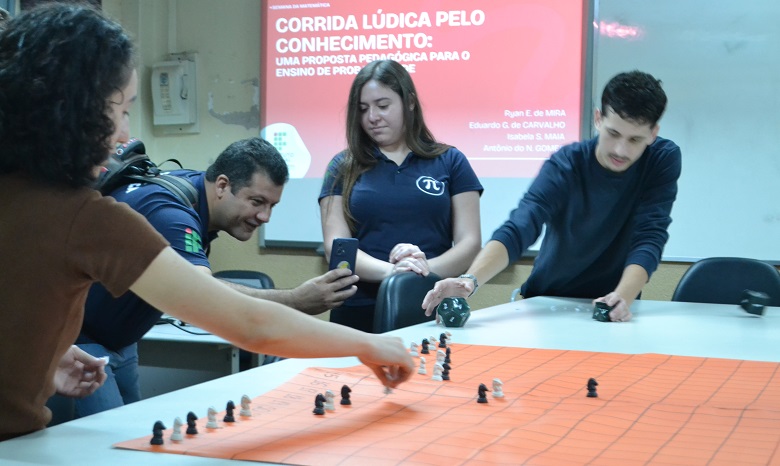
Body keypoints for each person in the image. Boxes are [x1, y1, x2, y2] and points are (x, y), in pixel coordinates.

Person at [0, 3, 412, 441]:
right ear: (78, 113)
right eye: (121, 110)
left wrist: (46, 352)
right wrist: (368, 344)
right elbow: (247, 323)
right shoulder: (88, 217)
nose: (125, 134)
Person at [74, 137, 360, 418]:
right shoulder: (171, 213)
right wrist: (297, 300)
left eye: (272, 205)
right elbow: (202, 292)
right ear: (222, 185)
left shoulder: (194, 188)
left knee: (124, 435)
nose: (265, 216)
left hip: (119, 339)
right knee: (104, 444)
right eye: (257, 202)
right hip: (80, 341)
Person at [423, 70, 681, 323]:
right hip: (546, 301)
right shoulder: (567, 164)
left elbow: (650, 235)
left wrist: (622, 297)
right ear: (598, 119)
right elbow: (521, 226)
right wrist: (470, 280)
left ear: (653, 133)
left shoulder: (661, 159)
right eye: (613, 134)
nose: (620, 150)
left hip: (613, 303)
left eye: (635, 139)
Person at [319, 59, 483, 333]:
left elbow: (470, 242)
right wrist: (393, 273)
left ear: (409, 102)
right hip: (357, 310)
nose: (372, 117)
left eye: (382, 106)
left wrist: (422, 272)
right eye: (363, 109)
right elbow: (336, 248)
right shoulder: (342, 166)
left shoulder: (451, 161)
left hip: (433, 303)